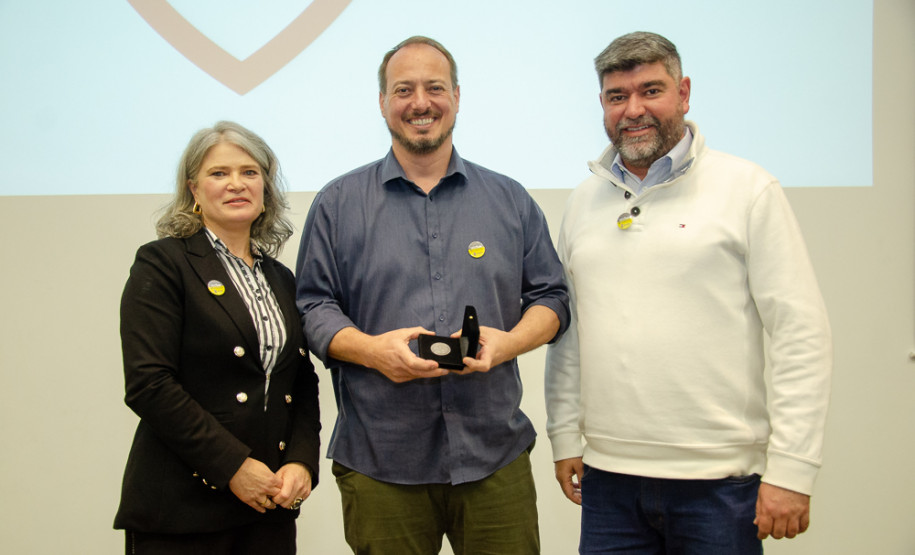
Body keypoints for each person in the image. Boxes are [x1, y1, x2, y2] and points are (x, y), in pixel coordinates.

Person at [545, 32, 832, 553]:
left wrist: (793, 468)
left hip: (720, 485)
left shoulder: (748, 189)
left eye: (651, 90)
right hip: (608, 482)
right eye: (617, 96)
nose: (634, 109)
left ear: (685, 93)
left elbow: (801, 333)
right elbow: (571, 332)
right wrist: (564, 435)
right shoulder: (584, 201)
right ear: (603, 105)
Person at [295, 36, 569, 554]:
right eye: (404, 89)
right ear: (382, 102)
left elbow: (552, 297)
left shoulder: (509, 199)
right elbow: (312, 307)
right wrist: (373, 352)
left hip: (494, 458)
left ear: (458, 97)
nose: (420, 102)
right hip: (381, 462)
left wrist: (507, 344)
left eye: (434, 87)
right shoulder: (337, 203)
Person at [114, 121, 321, 554]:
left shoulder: (280, 278)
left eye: (249, 172)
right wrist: (232, 466)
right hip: (181, 513)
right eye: (218, 173)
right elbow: (148, 383)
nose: (236, 184)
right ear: (193, 189)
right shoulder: (163, 264)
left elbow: (299, 382)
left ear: (266, 187)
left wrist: (301, 461)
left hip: (268, 510)